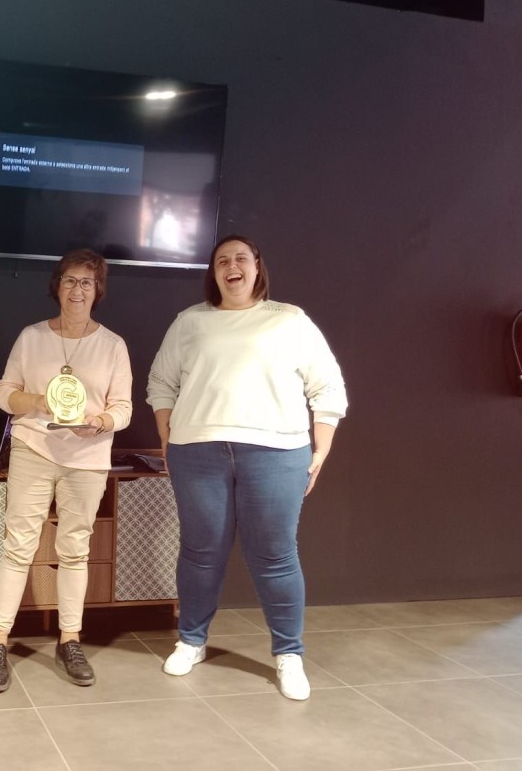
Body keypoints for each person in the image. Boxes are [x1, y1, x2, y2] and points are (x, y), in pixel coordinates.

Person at [147, 234, 347, 700]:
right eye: (222, 260)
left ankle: (289, 654)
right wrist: (168, 439)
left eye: (240, 258)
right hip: (197, 453)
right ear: (213, 272)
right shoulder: (189, 322)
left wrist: (321, 450)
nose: (231, 266)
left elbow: (328, 388)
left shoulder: (290, 320)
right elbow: (161, 383)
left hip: (277, 453)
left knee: (275, 555)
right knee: (200, 552)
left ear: (257, 267)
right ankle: (191, 640)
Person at [0, 249, 133, 692]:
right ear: (57, 286)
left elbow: (123, 408)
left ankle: (70, 639)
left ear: (98, 290)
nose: (77, 290)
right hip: (33, 447)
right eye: (70, 280)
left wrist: (100, 422)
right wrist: (37, 402)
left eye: (86, 282)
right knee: (18, 546)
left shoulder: (113, 345)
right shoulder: (31, 337)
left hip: (87, 457)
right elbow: (3, 393)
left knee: (75, 550)